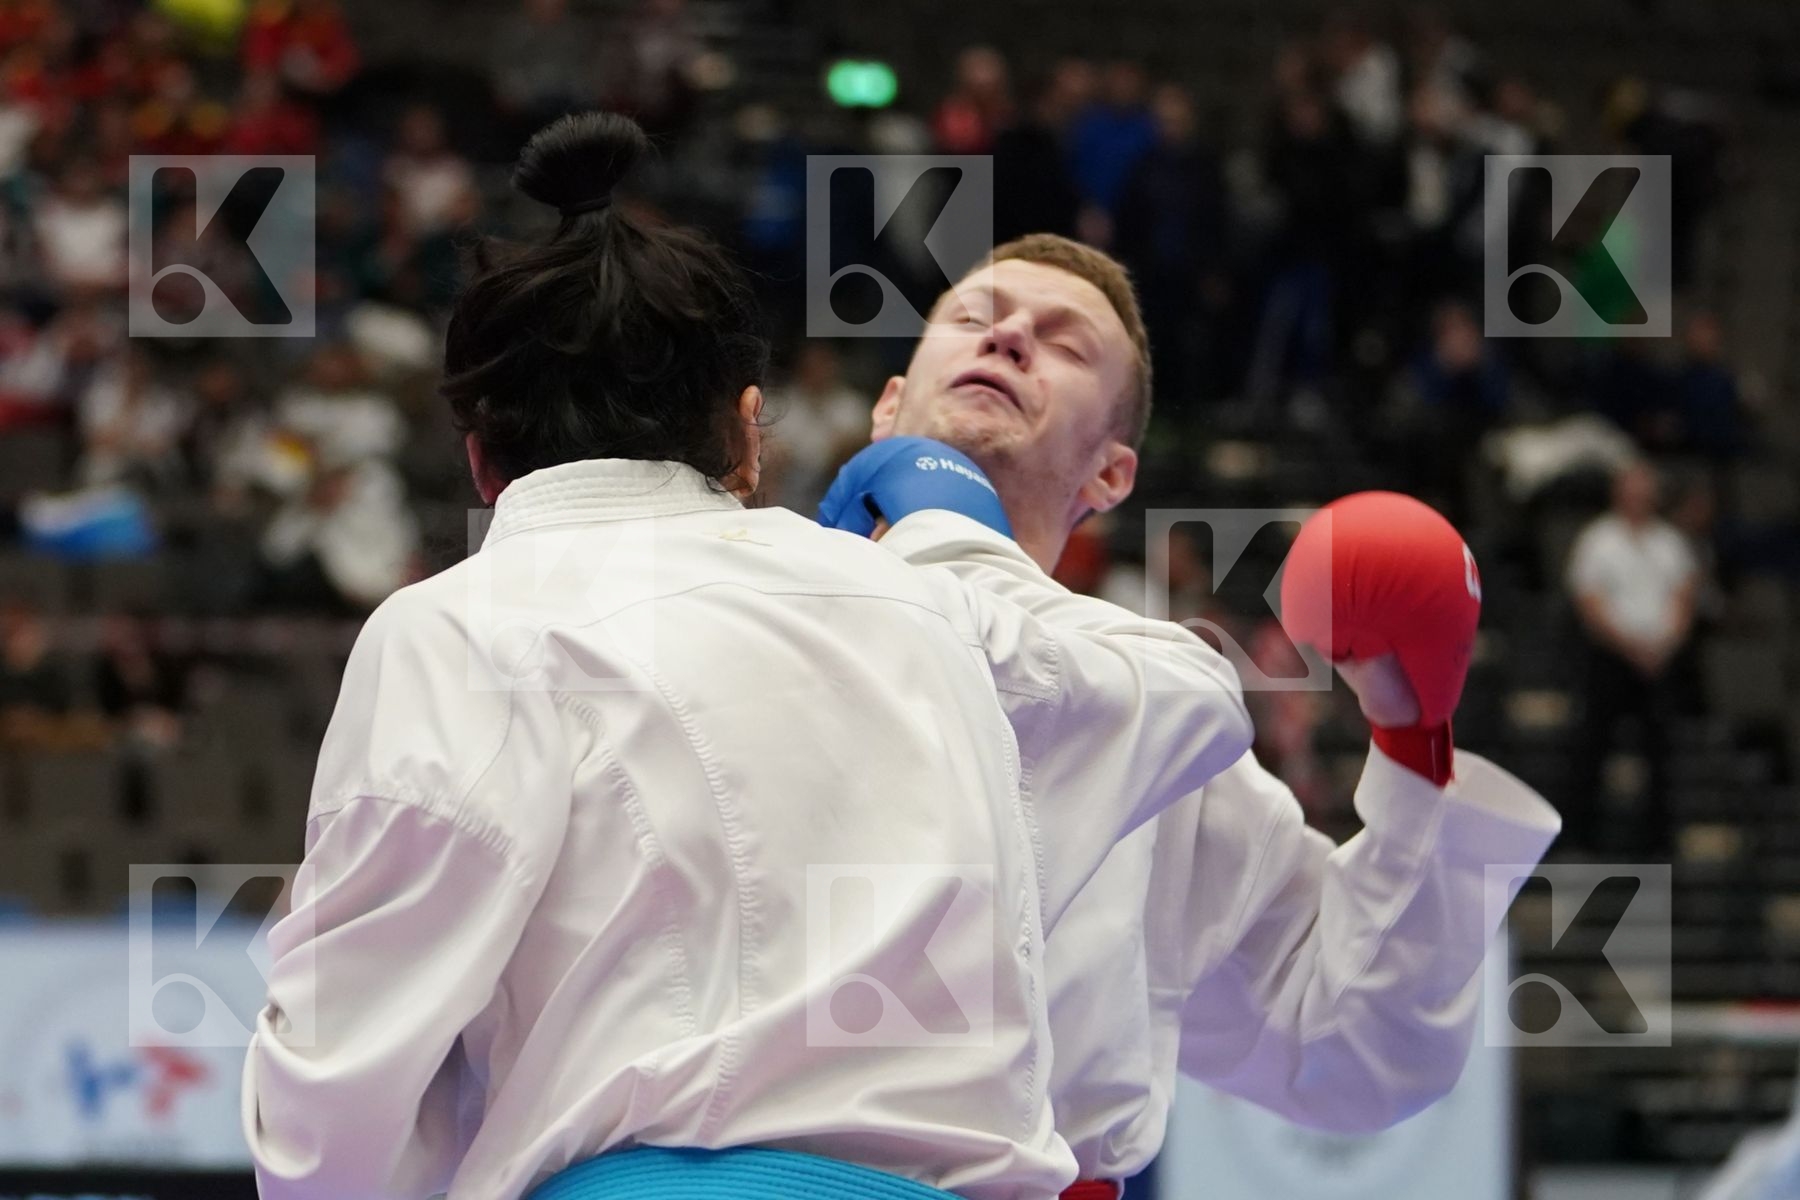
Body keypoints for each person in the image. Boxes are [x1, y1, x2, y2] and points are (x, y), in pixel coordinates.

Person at [241, 114, 1253, 1200]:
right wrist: (952, 535)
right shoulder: (921, 601)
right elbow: (1197, 698)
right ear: (749, 433)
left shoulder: (459, 621)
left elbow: (338, 1083)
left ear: (483, 459)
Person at [830, 233, 1561, 1197]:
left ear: (1112, 474)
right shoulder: (719, 605)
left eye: (1064, 343)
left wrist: (1412, 736)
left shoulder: (1158, 742)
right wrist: (945, 534)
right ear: (890, 405)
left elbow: (1350, 1051)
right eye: (974, 317)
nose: (1007, 335)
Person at [1565, 459, 1697, 857]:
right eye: (1633, 487)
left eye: (1646, 488)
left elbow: (1683, 598)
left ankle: (1657, 843)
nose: (1640, 495)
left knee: (1660, 751)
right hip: (1611, 658)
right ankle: (1581, 837)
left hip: (1659, 660)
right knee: (1594, 745)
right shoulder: (1598, 540)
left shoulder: (1671, 543)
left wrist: (1664, 645)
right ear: (1619, 492)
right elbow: (1590, 602)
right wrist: (1630, 646)